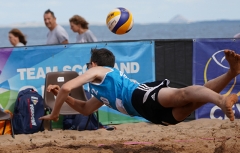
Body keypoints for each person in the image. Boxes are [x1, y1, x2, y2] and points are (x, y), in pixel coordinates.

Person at [40, 49, 240, 125]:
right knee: (194, 100)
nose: (87, 68)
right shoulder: (101, 91)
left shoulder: (99, 70)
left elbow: (67, 87)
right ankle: (232, 73)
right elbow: (84, 109)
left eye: (88, 64)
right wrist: (63, 97)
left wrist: (55, 113)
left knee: (184, 93)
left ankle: (222, 99)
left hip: (139, 96)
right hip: (149, 114)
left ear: (94, 63)